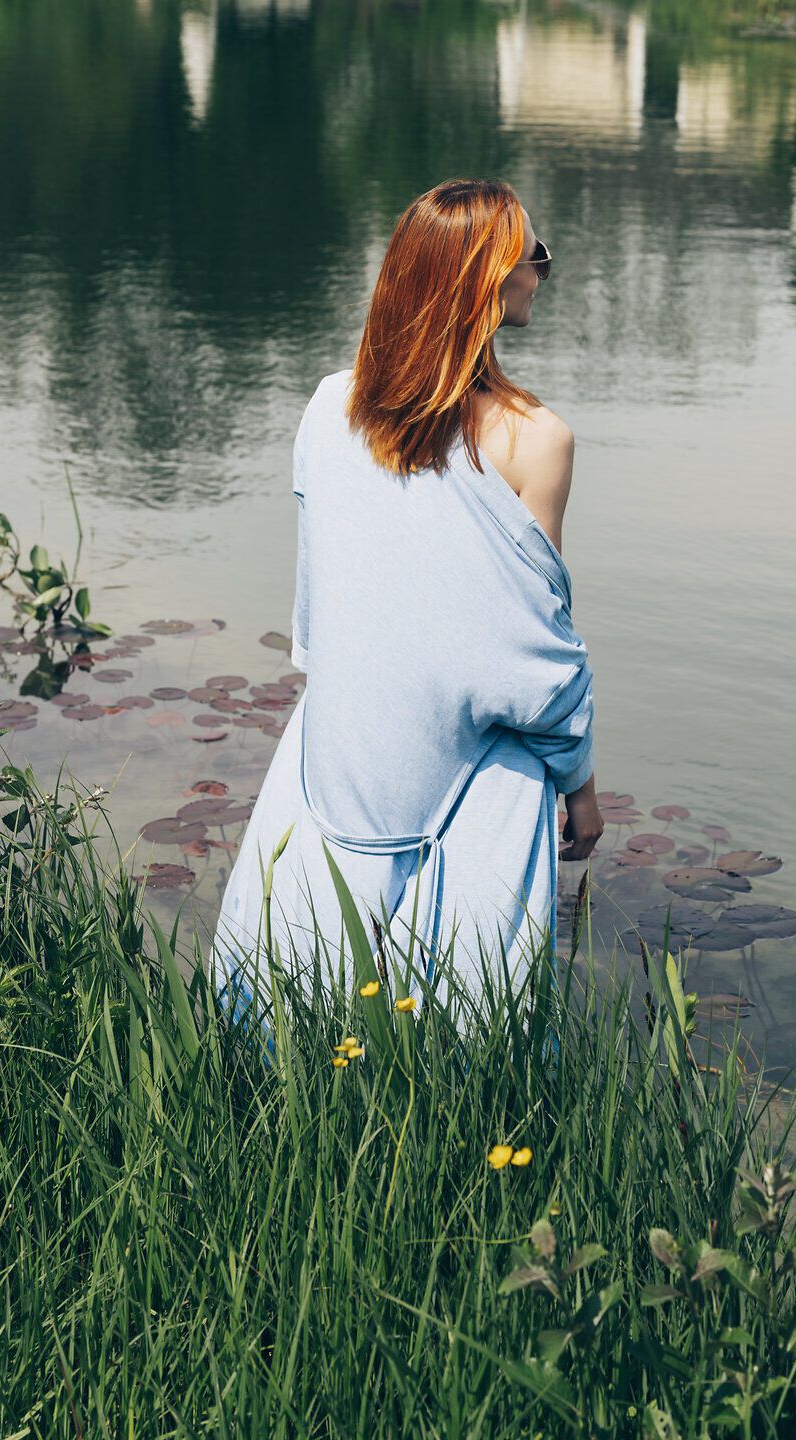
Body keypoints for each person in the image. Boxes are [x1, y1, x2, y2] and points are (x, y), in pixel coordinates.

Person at [213, 178, 601, 1014]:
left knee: (290, 1004)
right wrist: (581, 784)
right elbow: (536, 652)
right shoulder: (540, 441)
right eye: (535, 254)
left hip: (343, 740)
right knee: (461, 1039)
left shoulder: (329, 410)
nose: (545, 270)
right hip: (478, 762)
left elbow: (323, 607)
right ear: (489, 280)